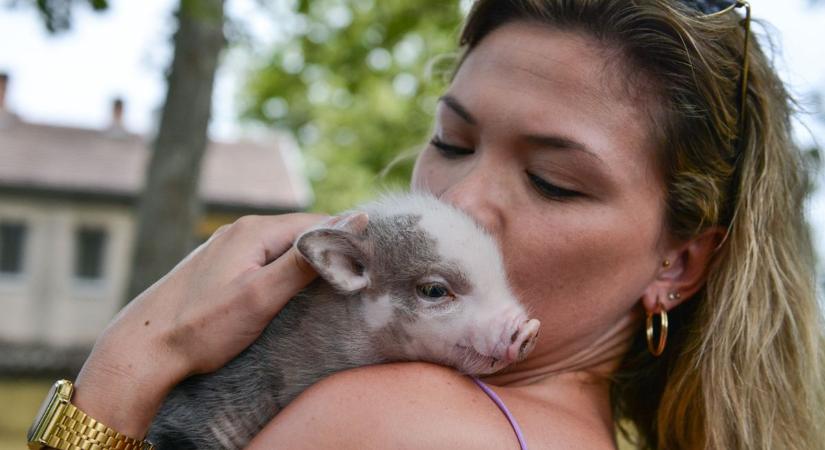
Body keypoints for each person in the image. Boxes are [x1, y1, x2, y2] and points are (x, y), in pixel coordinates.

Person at [48, 0, 825, 449]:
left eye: (552, 183)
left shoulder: (394, 421)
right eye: (451, 141)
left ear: (678, 266)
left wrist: (132, 364)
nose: (454, 203)